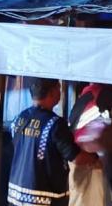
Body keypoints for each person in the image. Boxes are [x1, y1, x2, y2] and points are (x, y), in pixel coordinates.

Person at [9, 78, 91, 206]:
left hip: (16, 196)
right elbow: (76, 157)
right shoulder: (55, 124)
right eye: (58, 88)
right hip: (43, 198)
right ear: (52, 92)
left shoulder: (19, 119)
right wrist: (95, 157)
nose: (60, 92)